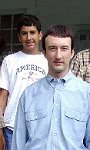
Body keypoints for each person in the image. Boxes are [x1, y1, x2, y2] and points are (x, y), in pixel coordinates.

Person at [11, 25, 90, 150]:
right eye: (52, 48)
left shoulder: (87, 94)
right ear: (44, 53)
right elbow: (18, 143)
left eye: (64, 48)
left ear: (72, 53)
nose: (58, 55)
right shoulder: (29, 94)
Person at [0, 14, 48, 150]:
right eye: (24, 33)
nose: (29, 38)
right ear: (19, 37)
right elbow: (3, 94)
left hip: (41, 126)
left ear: (40, 35)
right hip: (12, 126)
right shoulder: (9, 60)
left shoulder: (48, 60)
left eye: (32, 32)